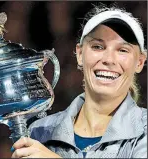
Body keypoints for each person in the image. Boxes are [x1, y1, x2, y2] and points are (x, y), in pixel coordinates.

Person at [11, 5, 147, 158]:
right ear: (80, 54)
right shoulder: (39, 131)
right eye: (98, 46)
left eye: (123, 50)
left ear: (140, 62)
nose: (109, 60)